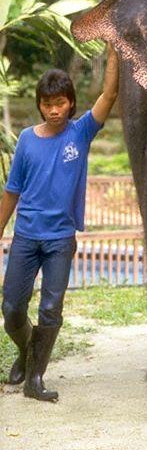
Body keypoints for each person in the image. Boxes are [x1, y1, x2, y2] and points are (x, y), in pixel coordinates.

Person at [0, 45, 119, 402]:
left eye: (60, 103)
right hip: (26, 236)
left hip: (60, 239)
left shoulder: (80, 133)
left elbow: (109, 94)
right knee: (12, 309)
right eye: (47, 104)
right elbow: (12, 191)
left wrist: (113, 50)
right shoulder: (26, 139)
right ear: (40, 105)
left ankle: (35, 377)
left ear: (70, 103)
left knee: (51, 309)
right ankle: (27, 350)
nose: (54, 110)